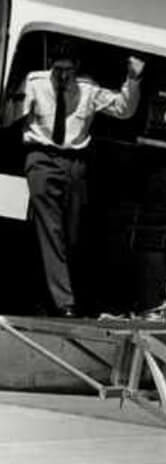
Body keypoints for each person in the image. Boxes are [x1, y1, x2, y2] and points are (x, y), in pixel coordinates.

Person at [1, 41, 144, 316]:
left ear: (77, 69)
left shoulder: (89, 89)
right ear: (51, 66)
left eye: (68, 70)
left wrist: (133, 78)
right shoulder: (34, 82)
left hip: (74, 164)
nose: (62, 76)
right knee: (51, 230)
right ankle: (64, 303)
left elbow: (124, 110)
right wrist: (13, 98)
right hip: (41, 159)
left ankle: (49, 295)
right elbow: (8, 119)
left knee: (73, 234)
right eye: (58, 69)